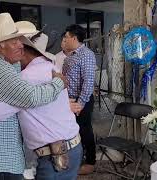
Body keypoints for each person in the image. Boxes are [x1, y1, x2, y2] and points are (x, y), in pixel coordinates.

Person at [0, 28, 83, 180]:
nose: (18, 47)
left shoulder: (26, 78)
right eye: (13, 42)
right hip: (73, 147)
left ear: (24, 50)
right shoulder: (52, 68)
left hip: (54, 156)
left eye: (18, 43)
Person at [61, 24, 96, 175]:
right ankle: (76, 160)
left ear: (74, 38)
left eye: (66, 37)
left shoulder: (86, 54)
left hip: (81, 101)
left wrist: (80, 104)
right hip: (69, 100)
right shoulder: (71, 55)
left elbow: (88, 82)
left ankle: (90, 162)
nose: (64, 40)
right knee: (72, 132)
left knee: (84, 130)